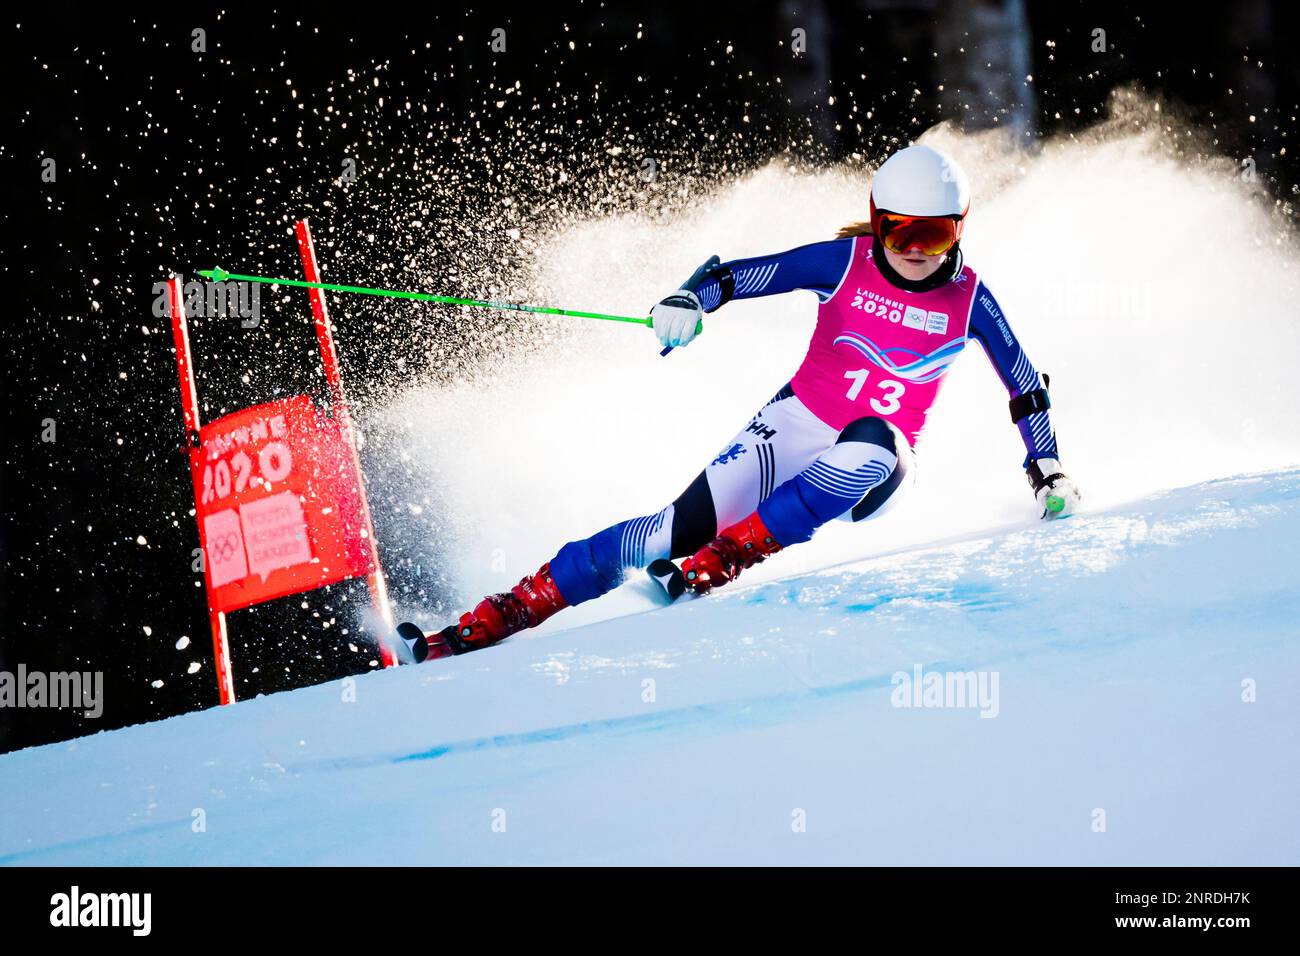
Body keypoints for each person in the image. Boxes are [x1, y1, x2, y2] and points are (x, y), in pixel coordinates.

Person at [401, 143, 1082, 662]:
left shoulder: (968, 298)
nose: (915, 251)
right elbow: (743, 276)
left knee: (872, 437)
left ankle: (728, 558)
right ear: (877, 222)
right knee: (662, 534)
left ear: (958, 230)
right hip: (792, 426)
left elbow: (1024, 382)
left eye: (933, 236)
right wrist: (689, 300)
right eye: (901, 233)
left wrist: (1046, 468)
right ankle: (499, 616)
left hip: (878, 465)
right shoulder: (841, 263)